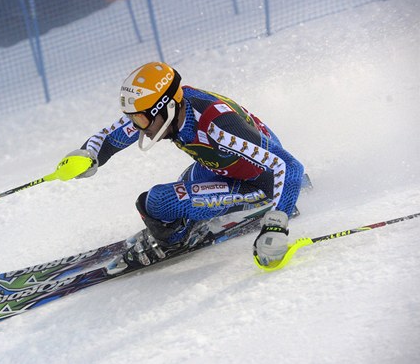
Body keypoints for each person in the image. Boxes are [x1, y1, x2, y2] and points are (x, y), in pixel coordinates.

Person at [54, 62, 304, 268]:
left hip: (261, 181)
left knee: (159, 203)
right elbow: (112, 135)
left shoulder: (218, 127)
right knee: (168, 203)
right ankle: (188, 223)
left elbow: (290, 167)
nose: (137, 126)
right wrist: (87, 155)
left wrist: (275, 227)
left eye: (140, 119)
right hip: (219, 167)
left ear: (167, 108)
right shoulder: (170, 110)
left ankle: (176, 240)